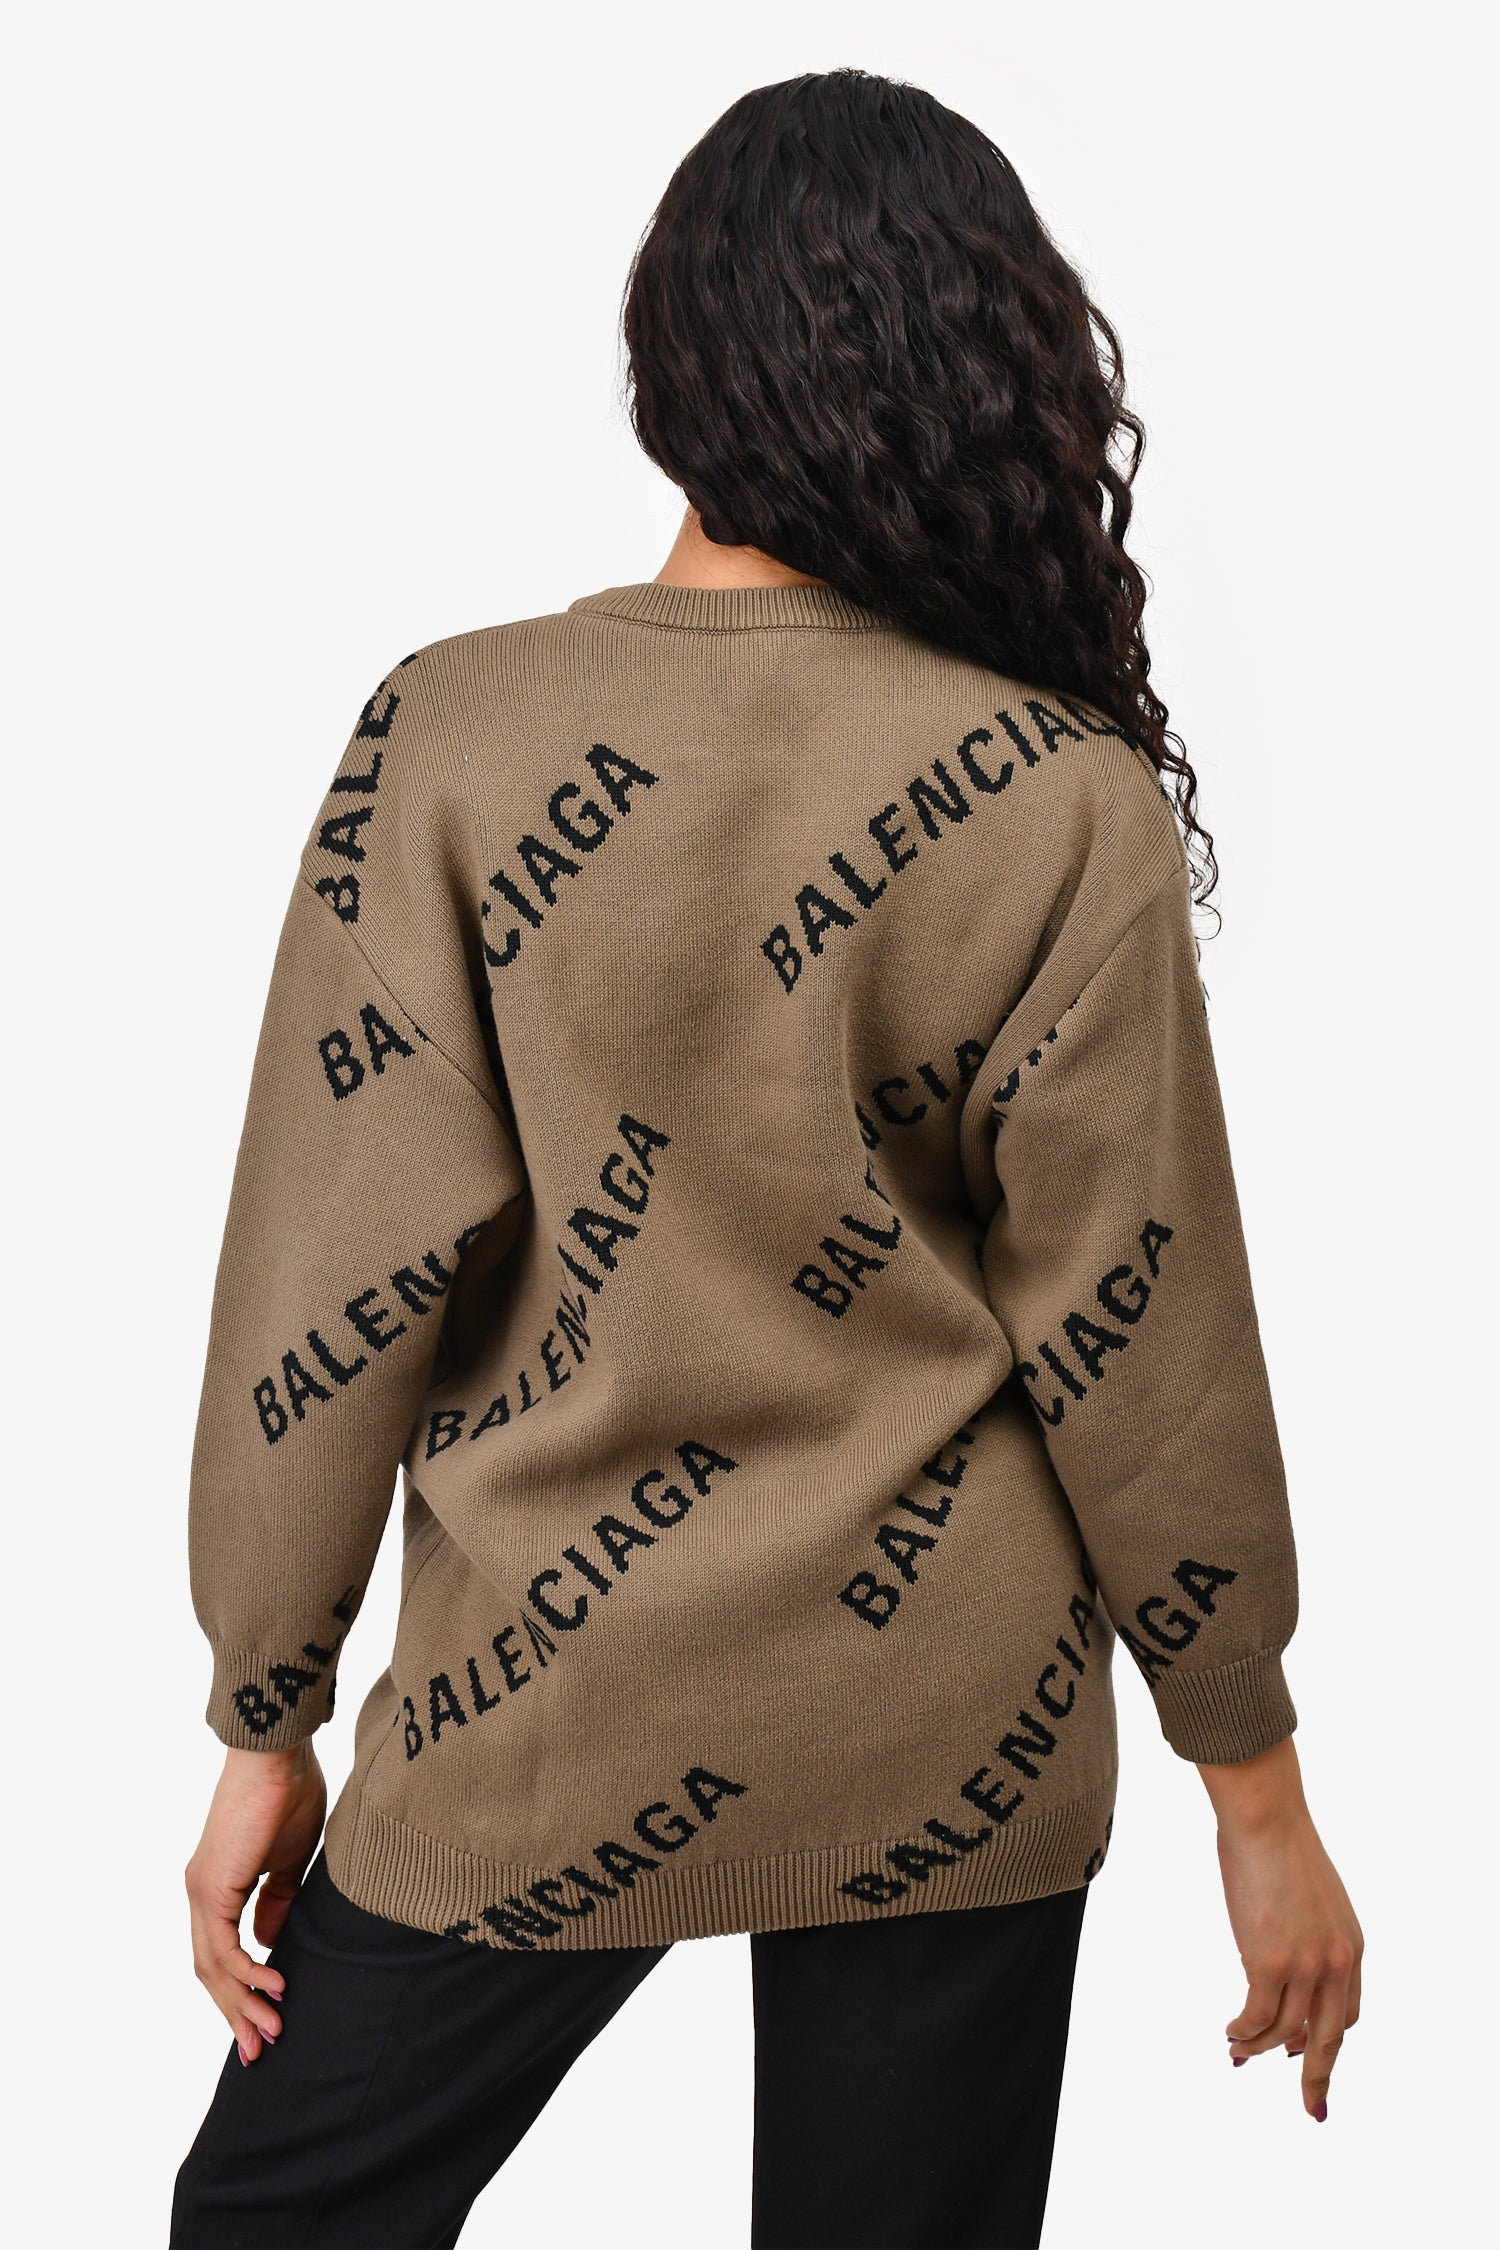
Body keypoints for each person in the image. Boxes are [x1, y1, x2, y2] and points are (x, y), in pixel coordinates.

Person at [170, 66, 1363, 2250]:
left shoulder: (451, 734)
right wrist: (1256, 1790)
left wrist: (267, 1710)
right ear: (984, 375)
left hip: (542, 1707)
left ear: (670, 366)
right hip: (953, 1726)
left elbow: (327, 1284)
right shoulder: (1055, 791)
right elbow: (1144, 1335)